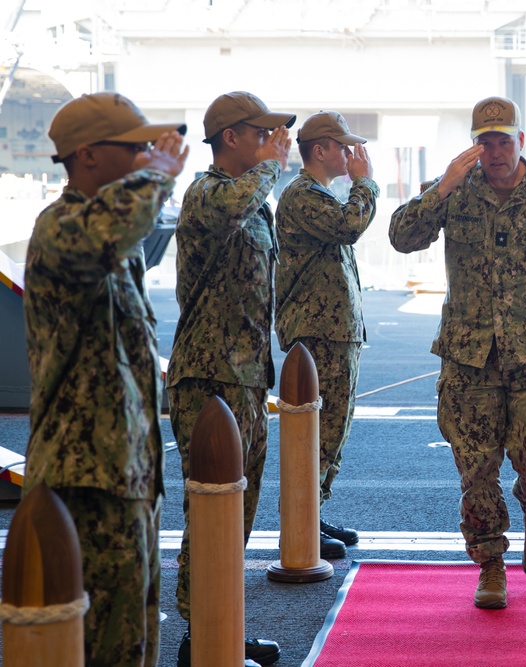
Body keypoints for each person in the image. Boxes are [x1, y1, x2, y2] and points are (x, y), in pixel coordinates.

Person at [389, 95, 526, 610]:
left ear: (520, 141)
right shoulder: (453, 194)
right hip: (468, 357)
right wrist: (440, 188)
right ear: (474, 147)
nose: (494, 152)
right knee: (476, 467)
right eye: (484, 142)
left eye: (503, 140)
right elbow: (401, 237)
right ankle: (490, 565)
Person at [21, 92, 188, 667]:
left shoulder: (116, 240)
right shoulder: (63, 229)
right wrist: (160, 176)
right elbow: (108, 233)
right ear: (88, 156)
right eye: (136, 147)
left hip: (125, 469)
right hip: (83, 477)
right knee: (99, 645)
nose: (149, 155)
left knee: (134, 635)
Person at [166, 91, 294, 667]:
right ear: (231, 138)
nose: (271, 142)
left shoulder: (252, 199)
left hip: (244, 373)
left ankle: (219, 627)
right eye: (260, 133)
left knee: (237, 509)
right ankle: (201, 636)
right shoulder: (208, 193)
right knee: (212, 506)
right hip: (209, 374)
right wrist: (272, 165)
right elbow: (234, 207)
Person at [275, 111, 378, 558]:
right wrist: (365, 183)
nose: (350, 154)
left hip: (334, 331)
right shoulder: (302, 196)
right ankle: (300, 521)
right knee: (316, 432)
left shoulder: (316, 194)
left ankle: (311, 512)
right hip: (318, 332)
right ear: (320, 151)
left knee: (332, 430)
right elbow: (349, 227)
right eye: (342, 147)